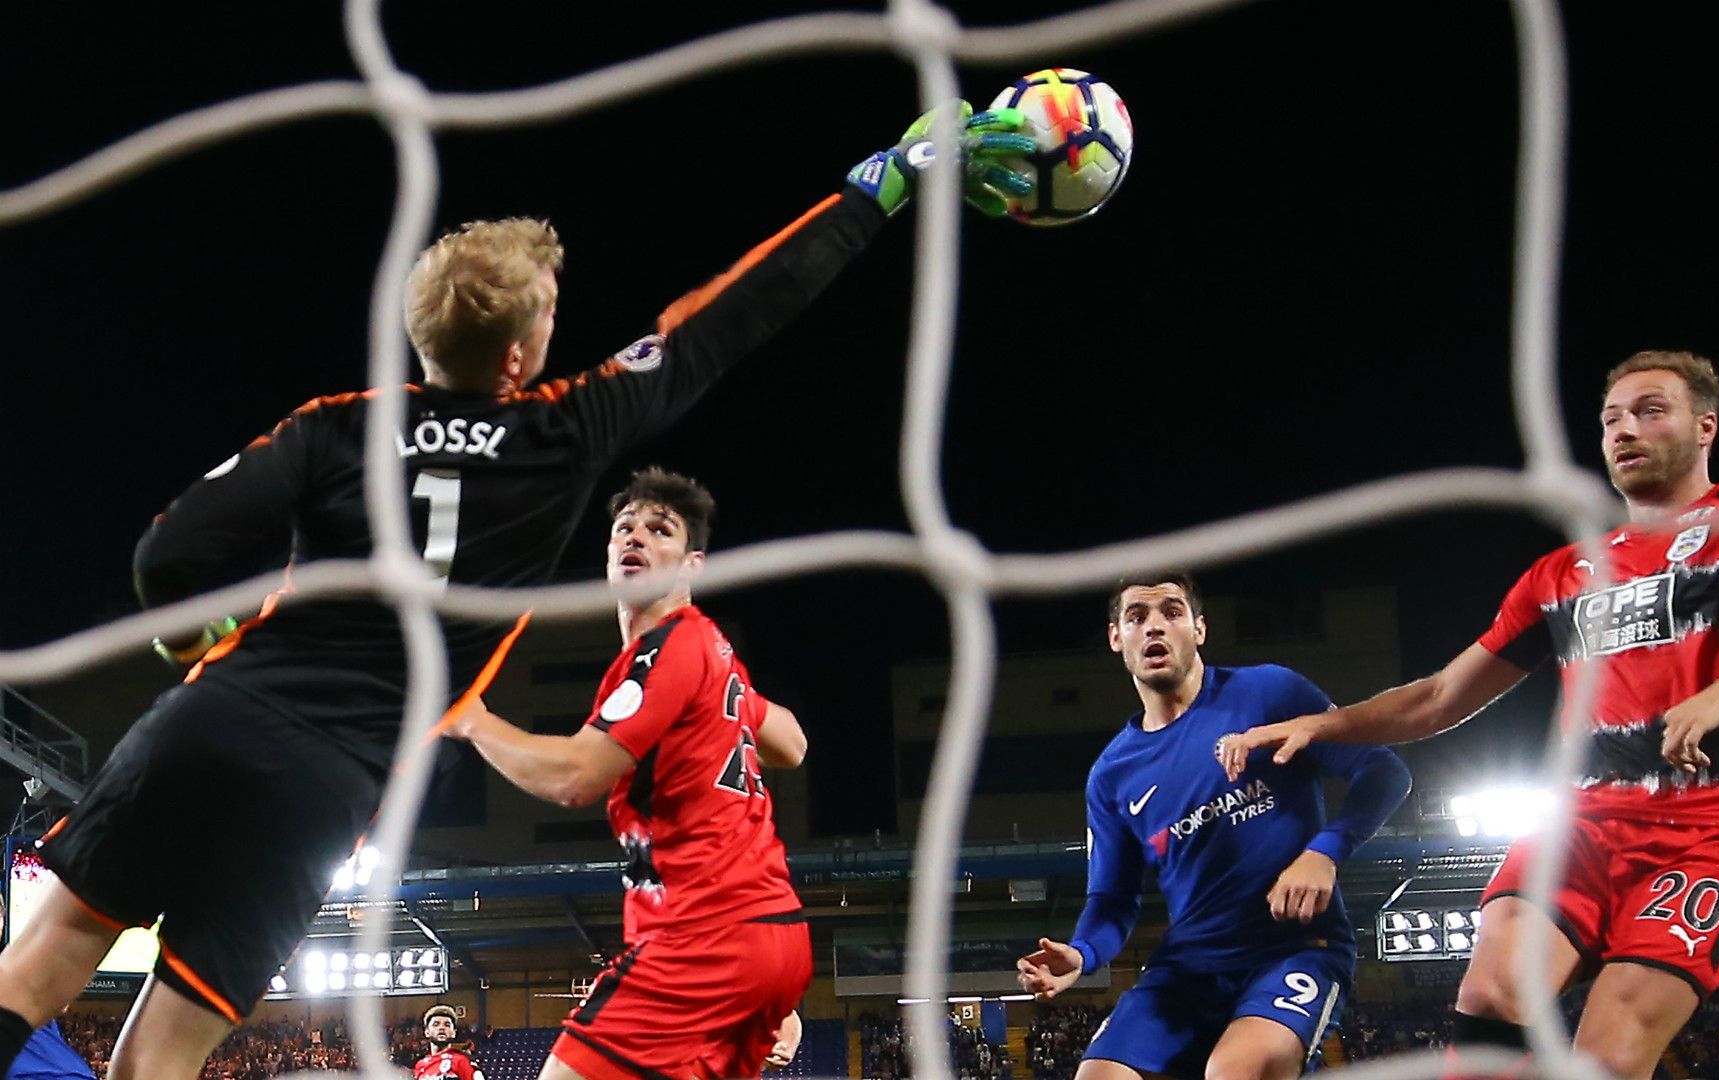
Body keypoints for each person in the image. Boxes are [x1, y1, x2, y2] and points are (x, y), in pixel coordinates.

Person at [0, 105, 1035, 1080]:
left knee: (38, 970)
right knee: (161, 1059)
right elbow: (726, 323)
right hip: (319, 794)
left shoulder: (335, 426)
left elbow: (165, 560)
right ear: (521, 352)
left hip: (210, 719)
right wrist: (881, 187)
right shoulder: (564, 433)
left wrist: (206, 653)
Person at [1213, 350, 1719, 1078]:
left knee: (1608, 1056)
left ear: (1705, 426)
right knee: (1490, 994)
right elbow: (1439, 696)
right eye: (1612, 418)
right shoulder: (1564, 572)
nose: (1624, 430)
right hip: (1577, 825)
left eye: (1650, 410)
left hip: (1710, 830)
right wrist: (1322, 724)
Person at [445, 468, 810, 1080]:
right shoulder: (713, 654)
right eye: (624, 527)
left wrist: (471, 720)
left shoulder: (669, 648)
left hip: (704, 939)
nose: (636, 536)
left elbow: (575, 777)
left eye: (659, 529)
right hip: (775, 938)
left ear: (692, 565)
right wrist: (733, 701)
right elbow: (794, 742)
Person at [1015, 574, 1411, 1080]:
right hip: (1188, 969)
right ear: (1117, 639)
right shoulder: (1112, 775)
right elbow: (1113, 898)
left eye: (1172, 612)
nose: (1155, 626)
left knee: (1234, 1070)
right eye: (1137, 616)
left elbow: (1383, 771)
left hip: (1294, 951)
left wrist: (1324, 852)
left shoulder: (1271, 691)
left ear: (1199, 628)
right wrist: (1082, 952)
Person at [415, 1005, 485, 1080]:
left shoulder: (461, 1061)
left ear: (454, 1033)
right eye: (436, 1024)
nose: (441, 1028)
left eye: (447, 1025)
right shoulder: (420, 1065)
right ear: (426, 1032)